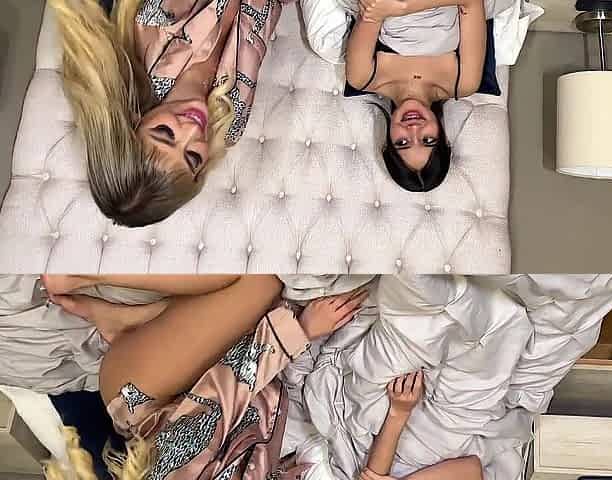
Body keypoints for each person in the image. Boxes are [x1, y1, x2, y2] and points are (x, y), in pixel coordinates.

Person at [40, 274, 368, 480]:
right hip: (183, 393)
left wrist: (300, 332)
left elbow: (212, 409)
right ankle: (130, 321)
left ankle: (75, 276)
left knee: (262, 280)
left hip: (141, 392)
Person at [50, 0, 287, 227]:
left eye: (165, 133)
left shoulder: (154, 27)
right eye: (193, 158)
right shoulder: (230, 122)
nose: (192, 131)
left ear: (136, 120)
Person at [344, 0, 491, 192]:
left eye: (402, 142)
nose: (413, 129)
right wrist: (404, 7)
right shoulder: (464, 82)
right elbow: (471, 2)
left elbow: (372, 8)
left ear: (388, 142)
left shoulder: (362, 77)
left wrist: (394, 7)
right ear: (443, 137)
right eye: (427, 140)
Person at [359, 371, 484, 480]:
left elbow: (373, 475)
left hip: (403, 428)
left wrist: (398, 412)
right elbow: (472, 470)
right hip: (448, 432)